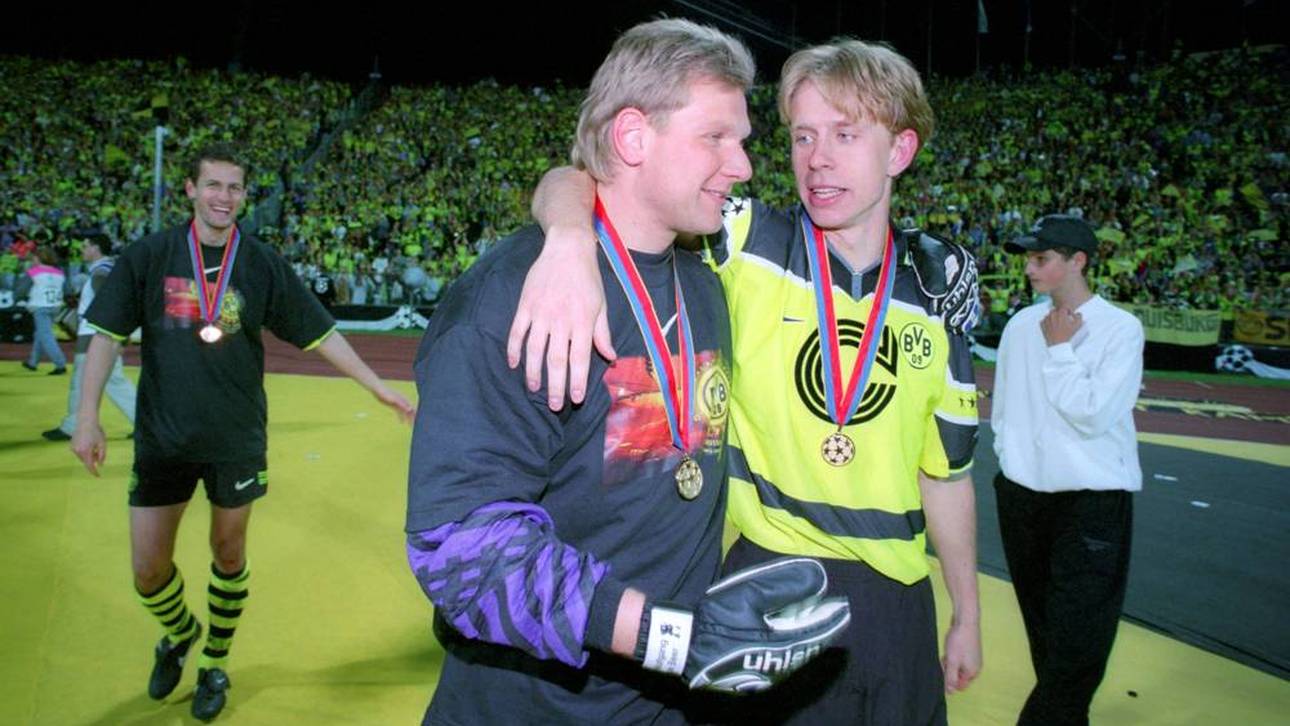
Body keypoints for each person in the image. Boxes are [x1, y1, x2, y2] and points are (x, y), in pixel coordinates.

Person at [514, 38, 982, 724]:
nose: (817, 158)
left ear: (901, 151)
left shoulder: (940, 283)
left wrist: (966, 611)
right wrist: (566, 239)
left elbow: (945, 472)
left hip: (897, 605)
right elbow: (585, 175)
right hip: (761, 585)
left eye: (845, 135)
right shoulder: (743, 239)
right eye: (801, 136)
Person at [406, 19, 850, 726]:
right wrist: (671, 637)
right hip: (530, 707)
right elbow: (460, 548)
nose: (742, 166)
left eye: (743, 141)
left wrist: (569, 224)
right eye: (716, 138)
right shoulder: (514, 298)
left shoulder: (704, 282)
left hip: (668, 700)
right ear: (634, 136)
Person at [70, 143, 415, 723]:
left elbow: (319, 331)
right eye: (213, 186)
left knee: (228, 555)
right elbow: (104, 336)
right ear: (190, 190)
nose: (223, 197)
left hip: (235, 437)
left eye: (234, 188)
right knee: (148, 571)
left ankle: (214, 663)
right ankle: (180, 634)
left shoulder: (258, 263)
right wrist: (86, 417)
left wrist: (375, 385)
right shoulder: (151, 256)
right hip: (163, 437)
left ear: (243, 197)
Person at [992, 214, 1144, 725]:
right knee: (1048, 639)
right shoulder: (1018, 325)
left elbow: (1094, 412)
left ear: (1078, 261)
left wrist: (1060, 349)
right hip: (1022, 499)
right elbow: (1007, 411)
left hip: (1091, 503)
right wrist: (1009, 466)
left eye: (1042, 259)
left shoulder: (1121, 329)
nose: (1030, 268)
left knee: (1078, 644)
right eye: (1029, 259)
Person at [42, 234, 137, 441]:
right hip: (101, 335)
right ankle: (144, 423)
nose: (82, 250)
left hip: (94, 336)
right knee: (114, 382)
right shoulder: (107, 270)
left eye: (85, 245)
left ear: (96, 248)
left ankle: (72, 425)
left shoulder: (100, 273)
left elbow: (110, 304)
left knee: (82, 381)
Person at [18, 245, 68, 374]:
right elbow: (68, 290)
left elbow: (21, 289)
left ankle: (60, 364)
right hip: (56, 306)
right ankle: (32, 362)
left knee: (46, 336)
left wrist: (20, 297)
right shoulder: (59, 272)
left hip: (40, 306)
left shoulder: (34, 272)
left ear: (38, 258)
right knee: (41, 333)